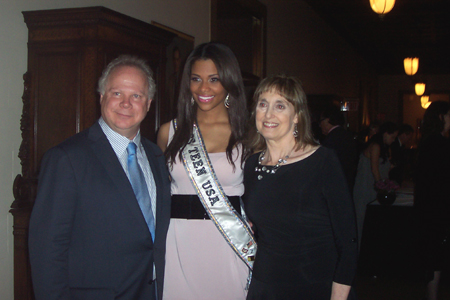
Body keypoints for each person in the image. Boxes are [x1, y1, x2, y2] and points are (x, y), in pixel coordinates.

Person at [28, 55, 171, 300]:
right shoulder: (66, 159)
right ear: (102, 97)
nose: (126, 103)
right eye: (117, 93)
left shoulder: (157, 155)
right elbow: (47, 251)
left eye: (136, 96)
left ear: (148, 104)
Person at [243, 75, 358, 299]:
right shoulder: (251, 165)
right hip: (265, 286)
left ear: (297, 116)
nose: (268, 114)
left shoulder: (322, 161)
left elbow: (348, 240)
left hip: (314, 286)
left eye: (280, 106)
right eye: (262, 104)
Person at [157, 42, 256, 300]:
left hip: (228, 243)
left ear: (229, 81)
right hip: (180, 243)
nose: (204, 88)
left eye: (214, 79)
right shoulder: (169, 131)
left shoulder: (248, 134)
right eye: (196, 79)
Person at [414, 101, 450, 300]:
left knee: (433, 258)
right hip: (438, 210)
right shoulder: (439, 144)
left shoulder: (428, 142)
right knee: (435, 258)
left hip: (429, 210)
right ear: (441, 117)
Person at [353, 121, 398, 245]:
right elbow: (374, 169)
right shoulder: (375, 146)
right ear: (385, 134)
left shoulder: (385, 148)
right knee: (361, 221)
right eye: (392, 137)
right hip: (366, 187)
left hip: (373, 188)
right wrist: (383, 187)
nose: (393, 140)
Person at [319, 106, 358, 191]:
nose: (320, 125)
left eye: (321, 121)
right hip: (347, 180)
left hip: (335, 184)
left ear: (327, 120)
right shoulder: (346, 135)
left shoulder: (331, 140)